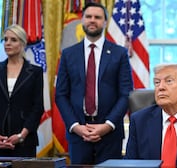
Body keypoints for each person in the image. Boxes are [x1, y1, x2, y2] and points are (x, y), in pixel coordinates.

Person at [55, 2, 133, 165]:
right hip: (78, 134)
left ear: (105, 22)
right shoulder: (68, 54)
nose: (92, 20)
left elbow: (125, 94)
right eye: (88, 16)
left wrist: (107, 125)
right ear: (82, 20)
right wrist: (76, 126)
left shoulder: (119, 54)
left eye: (97, 17)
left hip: (110, 134)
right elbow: (61, 95)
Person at [0, 24, 44, 157]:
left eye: (13, 40)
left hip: (24, 141)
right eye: (6, 39)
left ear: (22, 43)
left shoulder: (35, 72)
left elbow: (37, 107)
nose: (8, 43)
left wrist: (22, 135)